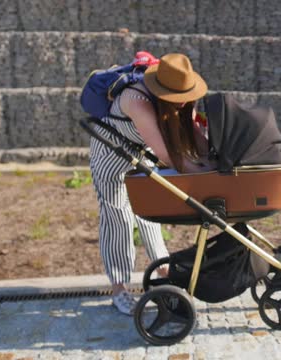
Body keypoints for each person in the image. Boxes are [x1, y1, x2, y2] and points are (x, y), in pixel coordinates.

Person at [89, 53, 213, 315]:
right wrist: (201, 172)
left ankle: (162, 268)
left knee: (150, 213)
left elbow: (193, 134)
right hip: (110, 156)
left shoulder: (181, 95)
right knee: (118, 218)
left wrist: (212, 160)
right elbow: (168, 155)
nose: (183, 102)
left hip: (140, 156)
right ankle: (120, 288)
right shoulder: (136, 100)